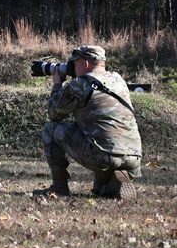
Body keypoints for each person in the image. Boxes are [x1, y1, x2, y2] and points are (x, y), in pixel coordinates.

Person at [36, 45, 143, 199]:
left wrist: (57, 84)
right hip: (133, 155)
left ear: (85, 64)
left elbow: (54, 114)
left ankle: (59, 187)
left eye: (74, 63)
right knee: (100, 190)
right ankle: (118, 181)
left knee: (50, 129)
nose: (72, 67)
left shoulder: (80, 84)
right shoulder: (118, 79)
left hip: (103, 156)